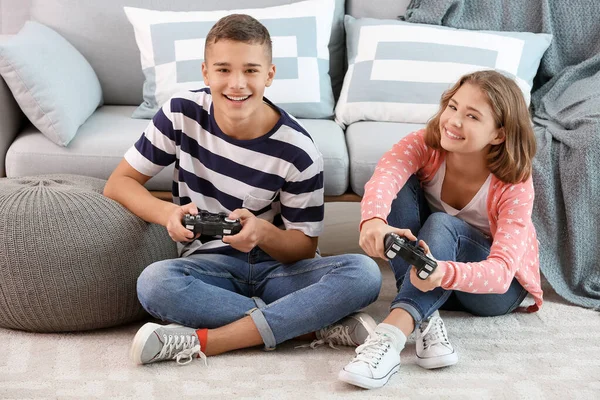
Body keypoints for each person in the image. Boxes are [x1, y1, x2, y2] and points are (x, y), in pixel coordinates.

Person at [104, 14, 382, 366]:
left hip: (278, 271)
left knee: (365, 274)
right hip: (209, 269)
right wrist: (168, 214)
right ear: (205, 73)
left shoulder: (299, 150)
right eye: (223, 70)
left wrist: (261, 232)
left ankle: (213, 340)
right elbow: (119, 184)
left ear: (269, 75)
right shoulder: (180, 114)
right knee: (154, 283)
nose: (237, 84)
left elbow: (303, 245)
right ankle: (308, 325)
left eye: (251, 70)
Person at [338, 70, 544, 389]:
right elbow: (384, 178)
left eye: (472, 116)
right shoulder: (425, 145)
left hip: (493, 293)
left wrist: (444, 274)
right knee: (398, 182)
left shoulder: (514, 183)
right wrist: (373, 222)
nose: (453, 121)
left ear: (499, 134)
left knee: (442, 223)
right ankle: (426, 314)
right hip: (432, 275)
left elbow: (502, 272)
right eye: (453, 107)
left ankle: (391, 336)